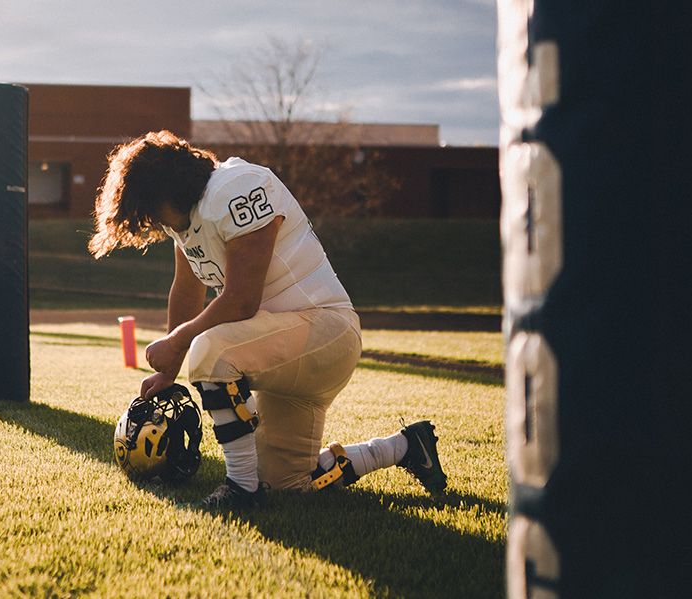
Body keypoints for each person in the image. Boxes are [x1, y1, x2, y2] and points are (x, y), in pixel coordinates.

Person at [89, 130, 447, 508]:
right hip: (282, 348)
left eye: (151, 210)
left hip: (325, 332)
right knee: (287, 482)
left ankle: (242, 490)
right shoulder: (189, 217)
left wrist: (180, 343)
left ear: (169, 188)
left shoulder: (238, 187)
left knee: (210, 350)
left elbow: (242, 301)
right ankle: (405, 447)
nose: (153, 223)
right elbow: (187, 288)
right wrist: (168, 369)